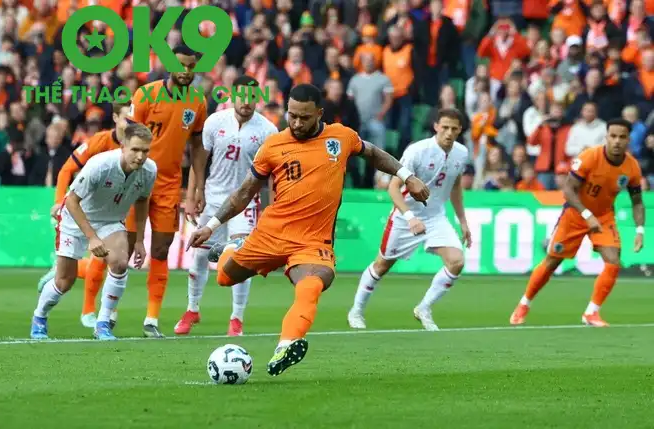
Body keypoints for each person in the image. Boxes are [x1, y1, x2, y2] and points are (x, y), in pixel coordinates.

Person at [186, 83, 429, 376]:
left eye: (304, 117)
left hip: (313, 242)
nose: (297, 123)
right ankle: (231, 248)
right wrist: (212, 226)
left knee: (313, 283)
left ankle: (285, 346)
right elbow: (244, 193)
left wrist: (407, 176)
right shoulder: (273, 145)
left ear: (319, 114)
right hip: (270, 235)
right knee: (225, 278)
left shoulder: (341, 137)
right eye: (292, 116)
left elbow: (374, 153)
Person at [510, 118, 645, 327]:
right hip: (575, 214)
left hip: (604, 216)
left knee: (613, 261)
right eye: (613, 136)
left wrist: (640, 230)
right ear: (606, 137)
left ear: (628, 140)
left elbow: (637, 201)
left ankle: (591, 313)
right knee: (553, 261)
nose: (617, 141)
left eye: (622, 137)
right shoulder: (589, 157)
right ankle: (524, 304)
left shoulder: (632, 167)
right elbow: (568, 190)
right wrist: (587, 215)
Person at [347, 108, 471, 331]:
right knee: (381, 265)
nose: (449, 133)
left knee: (456, 261)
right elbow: (393, 188)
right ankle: (356, 310)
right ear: (436, 126)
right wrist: (410, 217)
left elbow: (455, 186)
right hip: (405, 217)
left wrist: (462, 221)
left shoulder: (461, 153)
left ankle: (424, 308)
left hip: (435, 217)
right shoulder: (417, 151)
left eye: (454, 129)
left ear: (460, 130)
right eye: (445, 127)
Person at [30, 123, 157, 340]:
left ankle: (103, 323)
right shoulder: (100, 165)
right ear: (123, 146)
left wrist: (139, 241)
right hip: (74, 219)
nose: (140, 156)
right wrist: (92, 237)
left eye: (145, 151)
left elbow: (143, 201)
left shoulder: (149, 170)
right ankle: (39, 316)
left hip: (110, 221)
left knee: (119, 263)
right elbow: (72, 201)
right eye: (135, 149)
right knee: (64, 282)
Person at [174, 75, 278, 337]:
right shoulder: (215, 122)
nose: (246, 102)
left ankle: (236, 318)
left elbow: (274, 174)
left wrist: (273, 207)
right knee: (199, 256)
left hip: (246, 203)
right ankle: (192, 309)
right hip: (213, 198)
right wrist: (193, 195)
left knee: (240, 258)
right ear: (232, 96)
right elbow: (199, 161)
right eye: (241, 96)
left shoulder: (268, 131)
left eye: (252, 97)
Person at [126, 45, 209, 338]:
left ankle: (151, 319)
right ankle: (104, 315)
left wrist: (197, 189)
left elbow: (197, 147)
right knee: (122, 249)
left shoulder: (197, 102)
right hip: (135, 179)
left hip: (168, 184)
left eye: (191, 66)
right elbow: (127, 139)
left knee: (161, 249)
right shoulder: (145, 95)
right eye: (181, 65)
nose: (186, 71)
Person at [36, 101, 131, 330]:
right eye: (127, 118)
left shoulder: (138, 148)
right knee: (74, 274)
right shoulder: (99, 141)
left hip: (112, 209)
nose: (131, 123)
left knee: (113, 260)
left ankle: (96, 313)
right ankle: (85, 307)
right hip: (83, 206)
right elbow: (66, 169)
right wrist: (59, 201)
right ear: (115, 118)